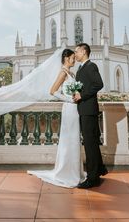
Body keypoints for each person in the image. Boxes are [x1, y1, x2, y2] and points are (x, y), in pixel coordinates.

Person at [27, 49, 86, 188]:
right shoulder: (63, 73)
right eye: (72, 57)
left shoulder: (71, 73)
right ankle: (66, 172)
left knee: (74, 139)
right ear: (66, 58)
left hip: (74, 109)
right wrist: (69, 100)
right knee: (69, 139)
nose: (74, 60)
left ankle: (76, 171)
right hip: (69, 108)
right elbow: (52, 91)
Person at [73, 43, 108, 189]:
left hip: (89, 110)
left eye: (77, 51)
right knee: (92, 142)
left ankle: (92, 178)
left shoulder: (91, 66)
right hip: (84, 109)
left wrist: (82, 95)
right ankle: (99, 169)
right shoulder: (81, 68)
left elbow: (99, 84)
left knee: (89, 144)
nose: (75, 54)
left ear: (84, 51)